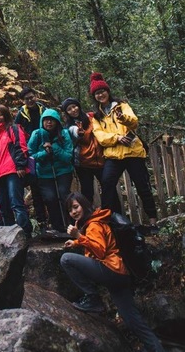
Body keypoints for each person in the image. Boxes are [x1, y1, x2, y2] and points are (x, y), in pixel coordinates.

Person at [61, 192, 181, 352]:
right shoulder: (96, 221)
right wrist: (76, 241)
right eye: (70, 209)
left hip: (110, 270)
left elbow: (100, 250)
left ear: (84, 204)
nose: (73, 212)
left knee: (66, 259)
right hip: (120, 276)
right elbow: (103, 245)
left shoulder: (93, 224)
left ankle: (93, 298)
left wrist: (78, 236)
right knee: (136, 323)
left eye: (76, 207)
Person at [89, 72, 157, 226]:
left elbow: (134, 122)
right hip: (113, 156)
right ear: (94, 96)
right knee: (107, 184)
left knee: (142, 185)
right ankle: (109, 222)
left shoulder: (122, 106)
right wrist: (117, 138)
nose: (101, 95)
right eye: (97, 93)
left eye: (102, 91)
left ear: (108, 91)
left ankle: (153, 221)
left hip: (133, 152)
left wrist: (122, 118)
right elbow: (100, 136)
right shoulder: (97, 116)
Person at [0, 105, 32, 236]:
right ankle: (11, 236)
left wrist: (21, 165)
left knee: (16, 203)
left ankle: (25, 233)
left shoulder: (13, 128)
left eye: (0, 114)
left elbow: (20, 146)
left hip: (12, 171)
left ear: (6, 115)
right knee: (3, 207)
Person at [28, 108, 74, 234]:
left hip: (63, 171)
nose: (49, 123)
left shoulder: (64, 134)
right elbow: (30, 156)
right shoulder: (36, 134)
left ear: (57, 122)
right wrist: (45, 153)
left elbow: (68, 157)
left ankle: (70, 224)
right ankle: (57, 226)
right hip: (44, 173)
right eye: (46, 120)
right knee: (50, 198)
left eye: (52, 120)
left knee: (64, 194)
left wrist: (54, 148)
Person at [14, 88, 48, 232]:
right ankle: (39, 222)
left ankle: (47, 219)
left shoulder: (43, 109)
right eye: (27, 99)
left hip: (45, 147)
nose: (30, 100)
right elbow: (16, 132)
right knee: (35, 187)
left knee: (45, 187)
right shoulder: (21, 114)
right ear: (23, 101)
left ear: (36, 96)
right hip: (29, 151)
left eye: (31, 97)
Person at [62, 97, 104, 204]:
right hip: (83, 163)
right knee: (87, 191)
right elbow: (75, 132)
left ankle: (114, 215)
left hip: (100, 159)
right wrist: (79, 133)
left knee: (108, 187)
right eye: (69, 109)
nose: (73, 110)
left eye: (74, 106)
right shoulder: (70, 127)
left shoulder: (91, 117)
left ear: (79, 106)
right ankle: (88, 217)